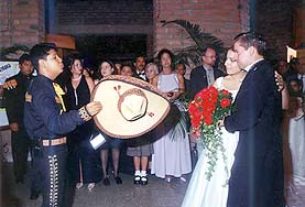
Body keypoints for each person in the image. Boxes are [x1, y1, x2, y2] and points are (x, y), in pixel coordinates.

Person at [24, 43, 102, 207]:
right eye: (54, 57)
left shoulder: (49, 85)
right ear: (43, 63)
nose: (60, 60)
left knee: (60, 199)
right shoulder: (41, 86)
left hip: (55, 149)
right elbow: (54, 123)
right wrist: (83, 113)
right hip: (50, 151)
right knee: (53, 202)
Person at [222, 32, 283, 207]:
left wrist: (227, 122)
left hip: (256, 148)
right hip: (263, 144)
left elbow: (247, 116)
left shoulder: (258, 74)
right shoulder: (263, 70)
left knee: (244, 192)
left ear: (251, 50)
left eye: (238, 51)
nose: (236, 56)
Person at [182, 49, 246, 207]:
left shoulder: (250, 82)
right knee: (212, 168)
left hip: (241, 134)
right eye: (226, 60)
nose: (225, 63)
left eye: (232, 60)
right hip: (220, 133)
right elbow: (201, 103)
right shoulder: (220, 81)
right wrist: (199, 124)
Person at [151, 48, 192, 182]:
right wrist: (162, 95)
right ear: (160, 62)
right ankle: (167, 171)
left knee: (178, 141)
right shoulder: (156, 78)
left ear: (171, 60)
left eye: (168, 58)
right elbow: (153, 94)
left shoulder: (178, 76)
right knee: (165, 142)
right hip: (163, 112)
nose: (166, 61)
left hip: (176, 111)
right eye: (163, 59)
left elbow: (182, 90)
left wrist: (175, 94)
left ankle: (180, 171)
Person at [65, 55, 100, 192]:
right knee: (75, 151)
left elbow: (94, 100)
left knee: (88, 149)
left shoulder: (88, 80)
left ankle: (91, 178)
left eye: (80, 65)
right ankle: (79, 179)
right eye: (76, 65)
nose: (78, 67)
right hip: (73, 120)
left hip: (87, 120)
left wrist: (94, 119)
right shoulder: (66, 83)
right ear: (71, 67)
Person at [3, 54, 34, 184]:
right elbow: (9, 103)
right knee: (19, 150)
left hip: (33, 122)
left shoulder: (36, 80)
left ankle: (35, 177)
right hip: (18, 121)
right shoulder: (11, 81)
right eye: (27, 65)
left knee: (35, 150)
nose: (29, 68)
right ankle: (19, 176)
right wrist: (12, 121)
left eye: (31, 65)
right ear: (20, 65)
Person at [124, 62, 155, 185]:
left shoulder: (140, 83)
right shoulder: (119, 86)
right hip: (131, 121)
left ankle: (144, 173)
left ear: (132, 72)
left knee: (145, 148)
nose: (126, 73)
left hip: (144, 119)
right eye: (123, 71)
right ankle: (137, 172)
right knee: (135, 149)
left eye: (128, 71)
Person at [96, 60, 123, 185]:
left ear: (112, 69)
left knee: (116, 148)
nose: (104, 69)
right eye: (102, 67)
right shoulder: (97, 83)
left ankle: (116, 173)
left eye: (107, 67)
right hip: (101, 121)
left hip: (116, 122)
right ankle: (104, 175)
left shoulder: (118, 83)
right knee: (103, 148)